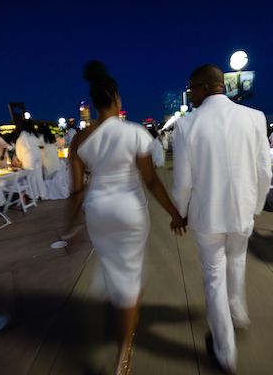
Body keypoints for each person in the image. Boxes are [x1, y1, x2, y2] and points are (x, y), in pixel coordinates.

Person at [66, 61, 186, 375]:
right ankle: (124, 350)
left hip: (98, 213)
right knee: (131, 274)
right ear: (117, 99)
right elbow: (151, 181)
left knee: (114, 264)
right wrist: (175, 214)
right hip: (130, 211)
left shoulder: (79, 140)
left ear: (94, 102)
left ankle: (120, 301)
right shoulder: (134, 132)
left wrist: (68, 228)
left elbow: (76, 192)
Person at [172, 64, 272, 373]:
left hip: (208, 216)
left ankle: (225, 351)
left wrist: (181, 212)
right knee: (237, 261)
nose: (190, 94)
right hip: (242, 212)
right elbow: (264, 172)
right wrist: (254, 207)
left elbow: (183, 182)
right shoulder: (255, 118)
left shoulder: (187, 125)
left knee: (213, 276)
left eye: (191, 89)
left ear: (203, 87)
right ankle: (238, 314)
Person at [15, 120, 46, 200]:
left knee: (31, 177)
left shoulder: (22, 136)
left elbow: (19, 149)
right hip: (37, 154)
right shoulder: (33, 134)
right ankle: (42, 194)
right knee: (38, 176)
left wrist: (20, 160)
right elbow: (41, 145)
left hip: (29, 157)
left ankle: (34, 196)